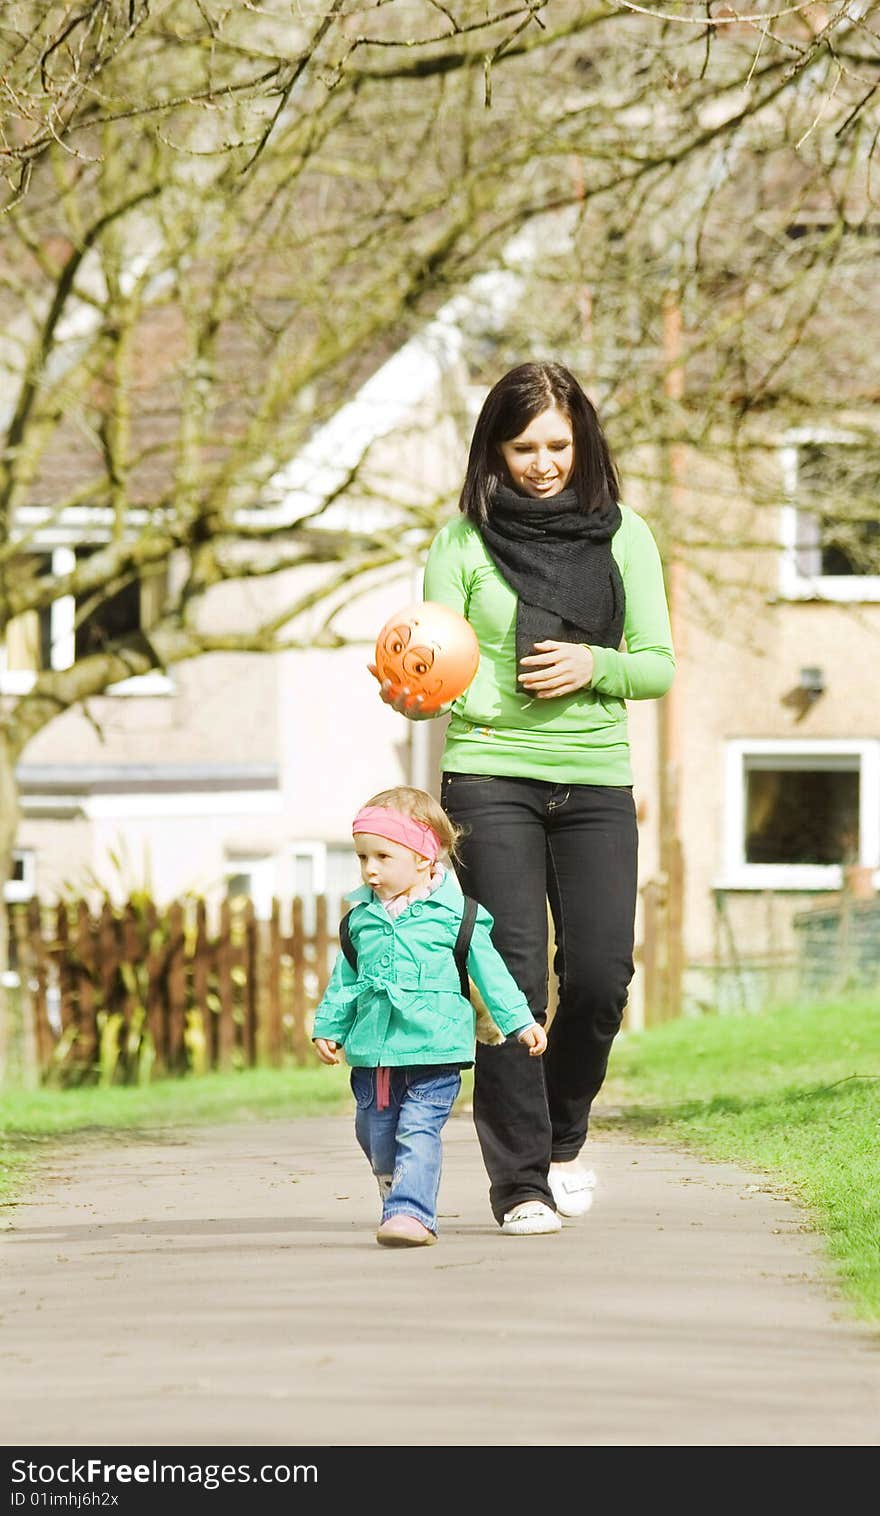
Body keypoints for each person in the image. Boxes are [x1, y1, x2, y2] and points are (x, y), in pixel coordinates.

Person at [371, 362, 675, 1236]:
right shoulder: (461, 542)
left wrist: (596, 664)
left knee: (600, 980)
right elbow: (433, 660)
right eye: (524, 447)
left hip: (593, 778)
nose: (543, 463)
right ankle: (520, 1187)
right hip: (490, 775)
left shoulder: (627, 538)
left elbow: (656, 663)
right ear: (495, 451)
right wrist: (409, 689)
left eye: (557, 445)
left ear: (581, 445)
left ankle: (562, 1132)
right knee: (508, 981)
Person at [312, 785, 547, 1248]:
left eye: (383, 856)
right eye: (363, 857)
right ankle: (396, 1184)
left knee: (417, 1130)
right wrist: (330, 1027)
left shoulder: (456, 917)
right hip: (375, 1054)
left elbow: (492, 974)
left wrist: (520, 1021)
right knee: (377, 1136)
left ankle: (411, 1214)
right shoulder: (361, 919)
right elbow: (345, 978)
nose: (370, 869)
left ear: (423, 856)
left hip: (435, 1049)